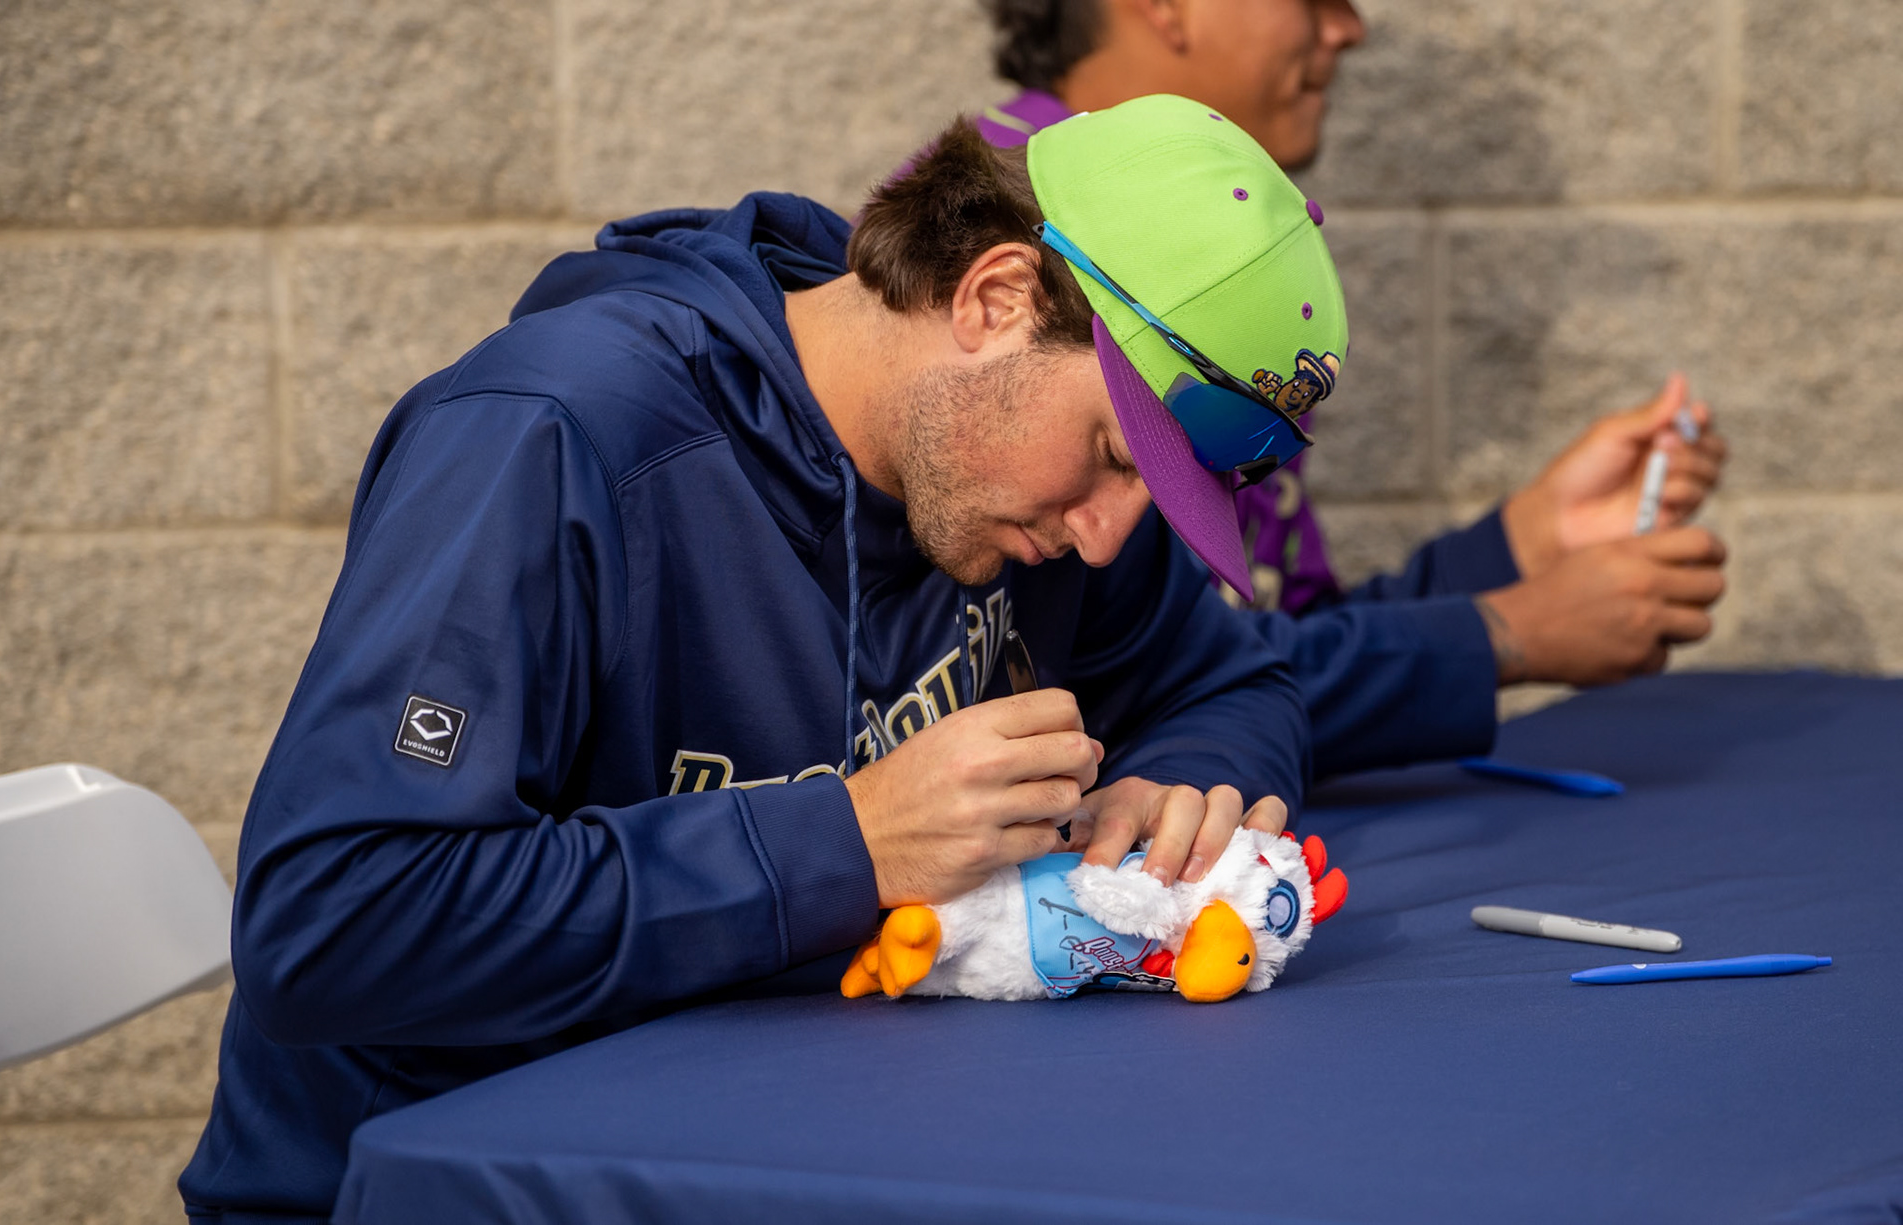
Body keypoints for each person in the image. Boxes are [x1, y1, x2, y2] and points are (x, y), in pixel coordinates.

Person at [180, 95, 1351, 1221]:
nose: (1105, 534)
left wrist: (1184, 782)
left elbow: (1233, 679)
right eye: (1117, 452)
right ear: (996, 297)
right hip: (439, 1185)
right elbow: (332, 919)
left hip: (795, 1148)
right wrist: (846, 844)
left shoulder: (1026, 492)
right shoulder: (551, 433)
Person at [980, 0, 1731, 775]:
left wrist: (1525, 543)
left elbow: (1265, 634)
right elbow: (1172, 682)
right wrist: (1503, 633)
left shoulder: (1207, 245)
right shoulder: (1010, 235)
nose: (1348, 29)